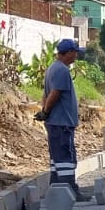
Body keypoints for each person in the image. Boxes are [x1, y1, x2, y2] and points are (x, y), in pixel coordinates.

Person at [34, 38, 82, 193]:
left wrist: (44, 112)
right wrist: (46, 111)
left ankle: (56, 190)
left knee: (57, 160)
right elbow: (54, 94)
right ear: (68, 53)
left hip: (56, 122)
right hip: (62, 123)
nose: (76, 56)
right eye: (75, 53)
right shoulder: (61, 70)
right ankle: (69, 191)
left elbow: (45, 94)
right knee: (65, 158)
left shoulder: (52, 68)